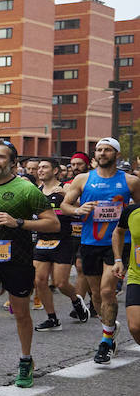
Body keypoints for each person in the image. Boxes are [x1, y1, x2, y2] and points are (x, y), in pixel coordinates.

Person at [0, 142, 59, 391]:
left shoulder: (27, 189)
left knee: (21, 313)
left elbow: (53, 224)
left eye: (1, 157)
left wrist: (18, 222)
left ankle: (25, 360)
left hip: (18, 258)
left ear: (13, 163)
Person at [61, 137, 138, 364]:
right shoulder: (83, 179)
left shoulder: (130, 181)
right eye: (98, 150)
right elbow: (65, 205)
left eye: (107, 150)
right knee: (96, 295)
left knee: (106, 291)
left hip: (118, 244)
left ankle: (106, 341)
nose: (102, 153)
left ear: (116, 154)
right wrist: (78, 209)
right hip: (90, 243)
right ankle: (110, 328)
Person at [32, 157, 88, 330]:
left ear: (55, 170)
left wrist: (66, 197)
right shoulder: (36, 191)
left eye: (44, 167)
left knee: (60, 283)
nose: (40, 170)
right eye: (39, 167)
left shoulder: (66, 188)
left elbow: (82, 209)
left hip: (63, 239)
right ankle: (52, 318)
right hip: (42, 240)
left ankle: (76, 300)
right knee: (39, 280)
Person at [113, 197, 140, 346]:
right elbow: (118, 232)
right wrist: (118, 259)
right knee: (135, 327)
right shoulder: (132, 211)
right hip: (137, 276)